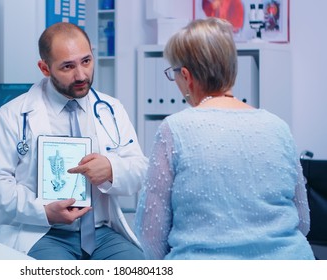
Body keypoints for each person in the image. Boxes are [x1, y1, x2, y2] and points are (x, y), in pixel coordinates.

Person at [134, 18, 314, 260]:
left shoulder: (174, 130)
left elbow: (150, 235)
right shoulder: (278, 127)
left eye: (173, 74)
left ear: (186, 76)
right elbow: (302, 222)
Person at [0, 22, 148, 260]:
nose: (81, 75)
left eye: (86, 61)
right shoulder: (13, 114)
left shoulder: (111, 109)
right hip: (42, 232)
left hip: (102, 233)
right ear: (44, 68)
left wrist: (111, 169)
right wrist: (43, 211)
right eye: (68, 66)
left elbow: (140, 169)